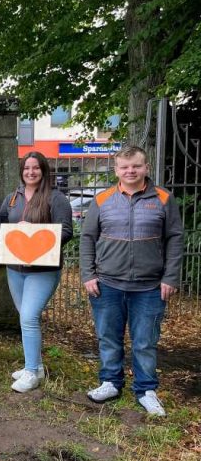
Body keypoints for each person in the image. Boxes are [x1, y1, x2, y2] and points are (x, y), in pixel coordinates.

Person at [80, 145, 183, 416]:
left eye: (136, 166)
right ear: (116, 170)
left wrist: (170, 276)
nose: (130, 171)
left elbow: (174, 238)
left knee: (145, 340)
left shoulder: (162, 198)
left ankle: (146, 389)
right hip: (107, 284)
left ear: (146, 168)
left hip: (149, 286)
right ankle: (110, 382)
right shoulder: (102, 200)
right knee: (108, 337)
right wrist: (88, 274)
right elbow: (87, 238)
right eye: (124, 167)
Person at [0, 152, 73, 392]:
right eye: (26, 168)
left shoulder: (56, 198)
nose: (31, 172)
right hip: (15, 268)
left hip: (43, 270)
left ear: (44, 170)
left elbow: (66, 232)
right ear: (21, 171)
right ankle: (36, 365)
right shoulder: (12, 198)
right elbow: (1, 226)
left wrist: (34, 234)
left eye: (36, 168)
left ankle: (31, 373)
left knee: (29, 317)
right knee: (25, 317)